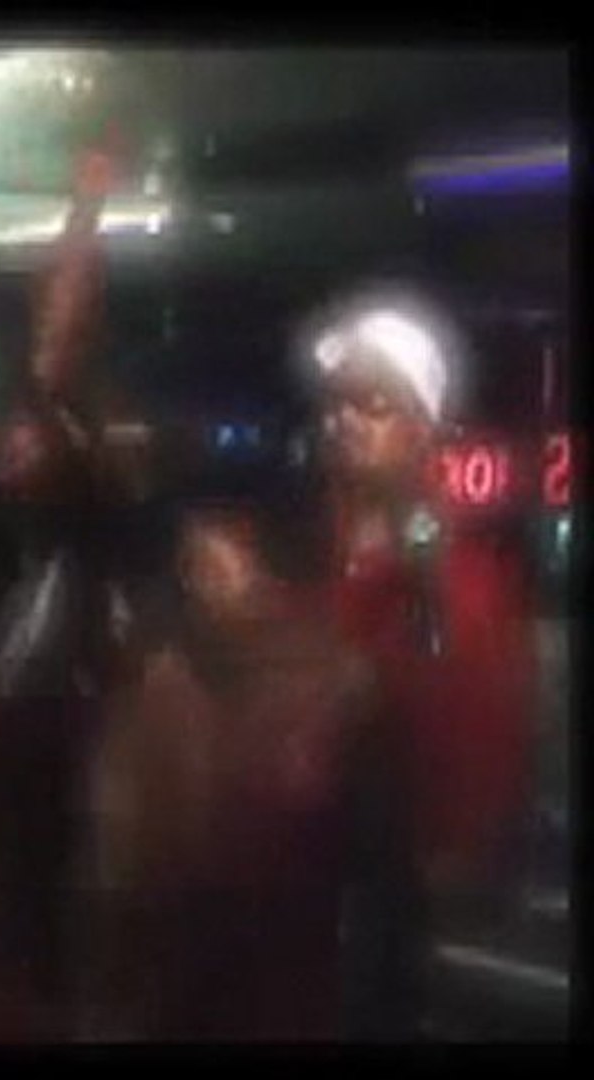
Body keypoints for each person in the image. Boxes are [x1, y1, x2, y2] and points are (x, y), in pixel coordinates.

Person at [300, 290, 538, 1032]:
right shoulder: (322, 547)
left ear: (421, 428)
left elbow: (462, 704)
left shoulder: (444, 567)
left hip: (386, 874)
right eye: (338, 404)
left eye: (372, 404)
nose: (343, 421)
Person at [80, 504, 396, 1040]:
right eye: (194, 565)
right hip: (177, 974)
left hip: (284, 971)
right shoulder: (162, 687)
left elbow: (372, 851)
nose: (209, 580)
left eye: (223, 559)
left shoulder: (339, 686)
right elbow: (121, 840)